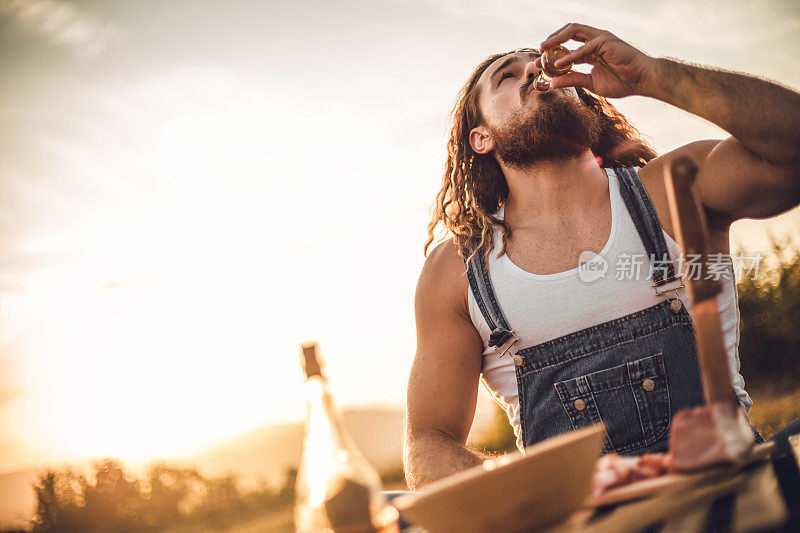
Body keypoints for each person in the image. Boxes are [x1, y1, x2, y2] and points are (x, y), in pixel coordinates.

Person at [403, 23, 800, 490]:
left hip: (735, 498)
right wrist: (531, 496)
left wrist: (655, 76)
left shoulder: (673, 187)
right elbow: (428, 442)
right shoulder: (458, 272)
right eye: (506, 77)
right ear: (481, 139)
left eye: (538, 61)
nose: (535, 68)